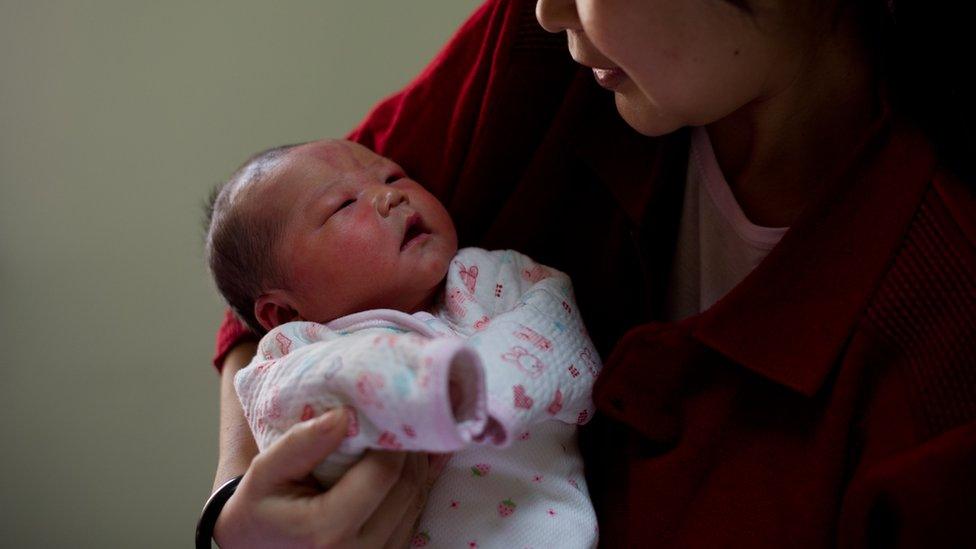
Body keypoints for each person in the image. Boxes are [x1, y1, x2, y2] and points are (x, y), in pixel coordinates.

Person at [205, 0, 976, 547]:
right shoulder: (546, 61)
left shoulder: (937, 338)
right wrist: (236, 502)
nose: (546, 11)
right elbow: (271, 252)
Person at [205, 138, 600, 547]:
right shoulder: (292, 351)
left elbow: (559, 335)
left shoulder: (490, 276)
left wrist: (477, 388)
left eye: (394, 176)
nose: (390, 195)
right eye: (343, 204)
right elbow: (311, 403)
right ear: (285, 312)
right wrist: (416, 386)